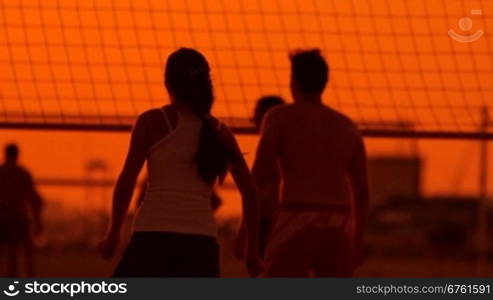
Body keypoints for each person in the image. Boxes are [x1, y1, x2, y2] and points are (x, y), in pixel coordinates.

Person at [99, 48, 263, 277]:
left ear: (168, 83)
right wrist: (252, 251)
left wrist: (113, 233)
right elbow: (251, 194)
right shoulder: (220, 131)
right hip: (200, 242)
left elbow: (127, 180)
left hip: (152, 237)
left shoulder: (152, 121)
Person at [252, 49, 369, 277]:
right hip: (340, 217)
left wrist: (251, 231)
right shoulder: (347, 126)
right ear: (324, 82)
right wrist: (358, 237)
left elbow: (261, 174)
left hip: (297, 212)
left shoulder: (279, 117)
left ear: (293, 82)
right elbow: (362, 190)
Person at [234, 95, 285, 259]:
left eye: (256, 113)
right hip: (275, 222)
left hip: (271, 223)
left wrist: (244, 234)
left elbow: (256, 191)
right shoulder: (291, 148)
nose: (252, 118)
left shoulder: (272, 153)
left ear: (267, 116)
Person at [0, 143, 43, 277]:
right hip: (19, 219)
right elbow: (34, 199)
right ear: (17, 155)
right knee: (25, 256)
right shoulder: (23, 174)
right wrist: (37, 220)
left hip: (4, 218)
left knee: (10, 257)